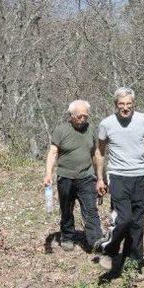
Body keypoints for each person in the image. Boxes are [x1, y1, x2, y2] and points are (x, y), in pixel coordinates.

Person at [94, 87, 144, 280]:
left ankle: (133, 264)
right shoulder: (107, 124)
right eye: (122, 104)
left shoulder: (143, 119)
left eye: (129, 104)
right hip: (118, 176)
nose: (125, 108)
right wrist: (100, 178)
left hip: (141, 176)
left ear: (134, 104)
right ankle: (109, 249)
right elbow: (100, 152)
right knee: (123, 219)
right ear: (116, 105)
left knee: (137, 223)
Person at [44, 100, 103, 252]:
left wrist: (101, 177)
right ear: (71, 116)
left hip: (87, 176)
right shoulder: (61, 130)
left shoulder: (91, 129)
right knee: (66, 209)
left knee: (90, 209)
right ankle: (67, 236)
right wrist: (48, 174)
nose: (83, 119)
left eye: (85, 116)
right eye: (79, 116)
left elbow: (97, 153)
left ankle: (96, 241)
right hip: (65, 176)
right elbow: (52, 152)